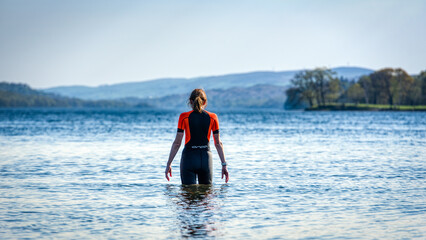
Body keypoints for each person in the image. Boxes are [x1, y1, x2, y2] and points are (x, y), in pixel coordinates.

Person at [165, 89, 229, 184]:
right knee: (206, 196)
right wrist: (224, 165)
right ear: (205, 102)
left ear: (190, 101)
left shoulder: (184, 117)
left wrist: (168, 164)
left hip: (189, 158)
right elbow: (218, 143)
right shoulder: (213, 117)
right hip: (206, 159)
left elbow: (177, 143)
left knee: (188, 194)